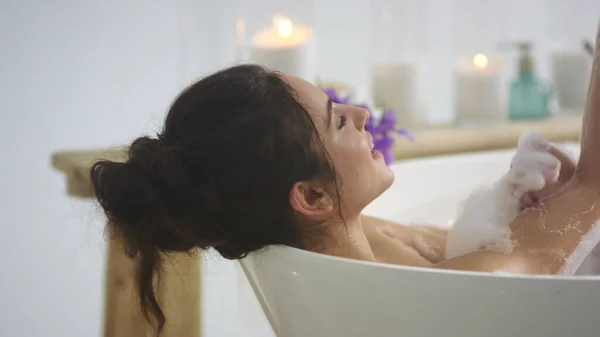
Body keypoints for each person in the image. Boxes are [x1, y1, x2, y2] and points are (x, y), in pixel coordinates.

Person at [90, 56, 598, 332]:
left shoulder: (348, 247)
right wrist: (571, 202)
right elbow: (595, 186)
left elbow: (464, 245)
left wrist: (528, 209)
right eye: (338, 121)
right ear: (312, 198)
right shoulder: (431, 298)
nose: (362, 116)